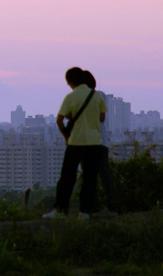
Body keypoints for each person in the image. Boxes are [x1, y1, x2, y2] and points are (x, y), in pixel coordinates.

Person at [43, 67, 116, 220]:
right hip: (95, 143)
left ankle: (61, 210)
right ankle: (85, 212)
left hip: (75, 143)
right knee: (90, 179)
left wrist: (66, 136)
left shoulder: (71, 97)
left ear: (70, 82)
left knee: (67, 177)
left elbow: (59, 120)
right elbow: (101, 118)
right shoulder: (97, 97)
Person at [82, 70, 117, 217]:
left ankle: (109, 208)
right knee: (96, 177)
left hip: (96, 143)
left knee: (100, 176)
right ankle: (96, 208)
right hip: (94, 143)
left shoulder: (95, 96)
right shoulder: (97, 96)